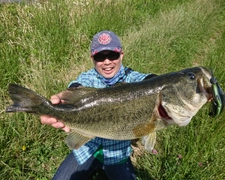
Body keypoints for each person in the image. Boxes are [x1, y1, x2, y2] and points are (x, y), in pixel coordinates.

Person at [40, 30, 156, 180]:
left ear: (121, 55)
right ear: (92, 58)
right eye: (100, 57)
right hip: (86, 149)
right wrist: (63, 101)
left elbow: (150, 81)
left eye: (112, 55)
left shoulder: (132, 79)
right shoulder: (87, 77)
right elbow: (77, 88)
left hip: (117, 155)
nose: (107, 62)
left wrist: (163, 83)